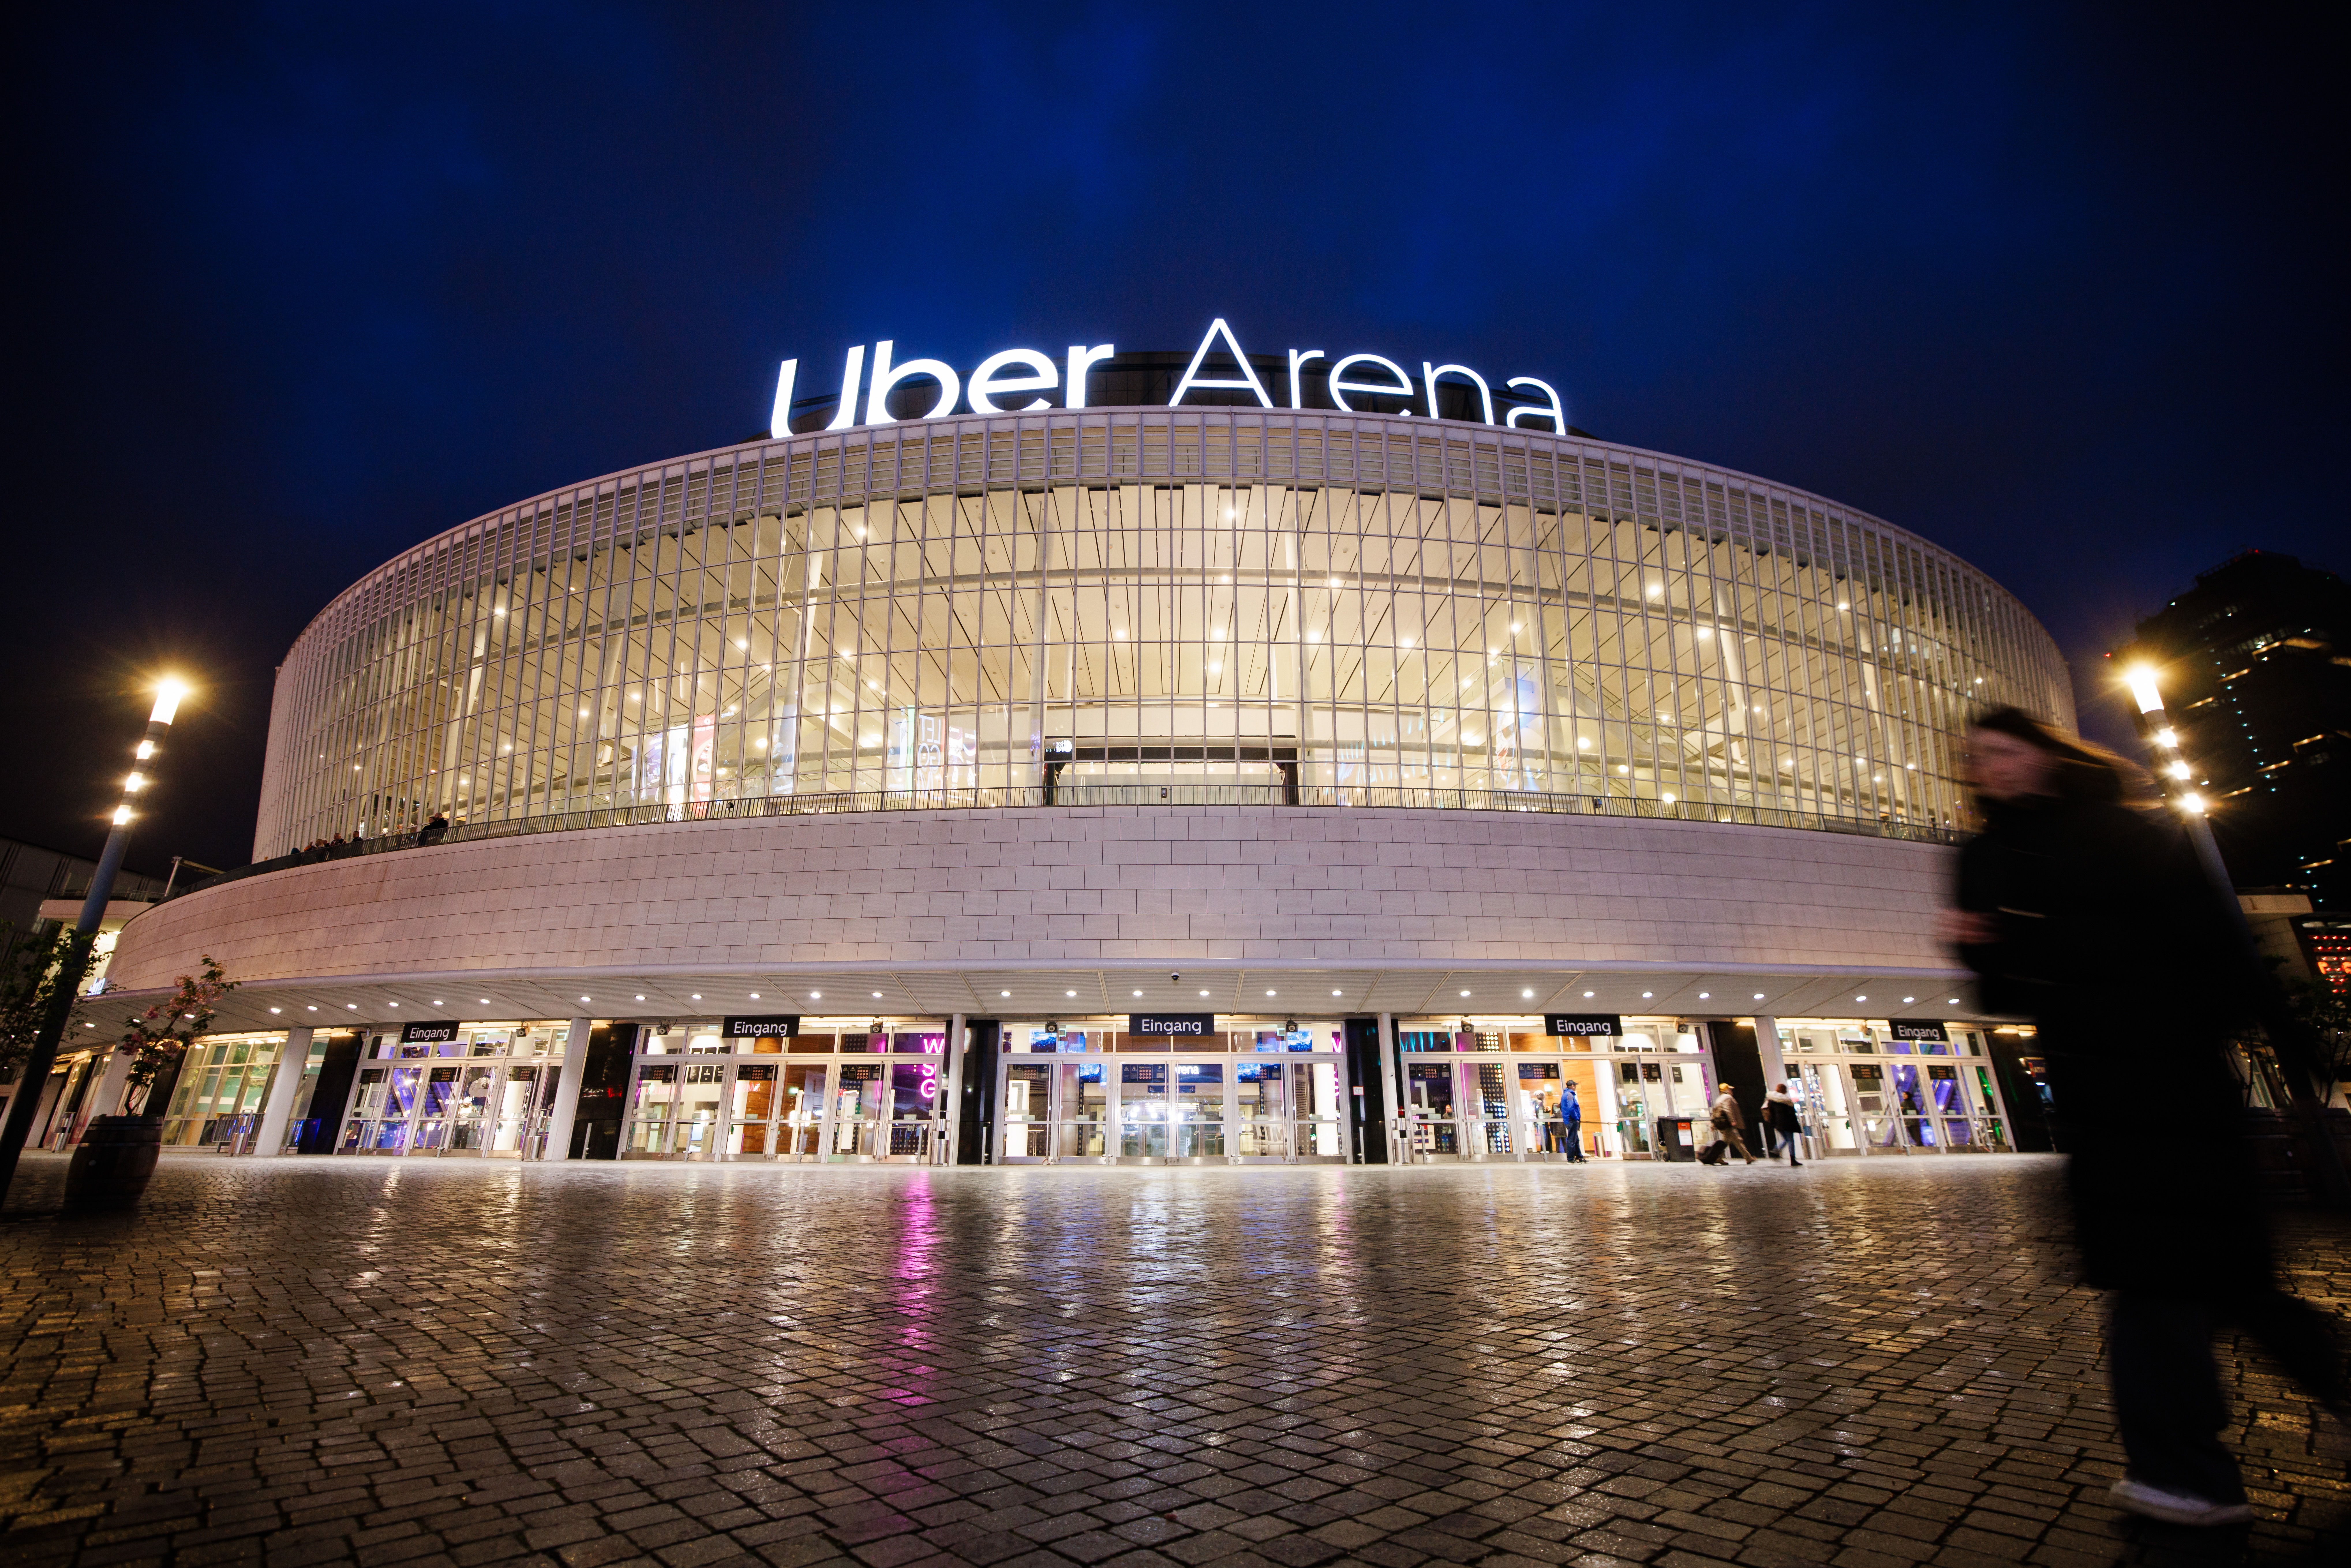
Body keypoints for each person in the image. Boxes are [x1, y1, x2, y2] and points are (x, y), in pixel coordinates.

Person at [1939, 705, 2346, 1529]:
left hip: (2172, 1079)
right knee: (2213, 1282)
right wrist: (1978, 950)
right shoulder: (1983, 856)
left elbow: (2215, 947)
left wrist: (2291, 1042)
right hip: (2100, 1094)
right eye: (1980, 756)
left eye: (2008, 748)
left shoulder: (2121, 831)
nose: (1995, 766)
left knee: (2170, 1280)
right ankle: (2186, 1469)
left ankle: (2186, 1475)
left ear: (2045, 752)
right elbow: (2002, 993)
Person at [1702, 1083, 1754, 1165]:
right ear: (1726, 1090)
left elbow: (1715, 1112)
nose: (1731, 1091)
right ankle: (1716, 1157)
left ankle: (1749, 1158)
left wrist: (1713, 1125)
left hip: (1723, 1124)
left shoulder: (1720, 1099)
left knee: (1736, 1141)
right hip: (1727, 1124)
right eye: (1730, 1089)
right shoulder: (1727, 1098)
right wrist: (1733, 1121)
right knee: (1727, 1142)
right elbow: (1728, 1110)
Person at [1765, 1081, 1803, 1166]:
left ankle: (1776, 1150)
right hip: (1787, 1124)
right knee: (1790, 1141)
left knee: (1786, 1139)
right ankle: (1793, 1160)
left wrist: (1773, 1123)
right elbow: (1791, 1114)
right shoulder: (1787, 1101)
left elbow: (1771, 1113)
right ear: (1784, 1090)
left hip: (1777, 1124)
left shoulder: (1771, 1100)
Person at [1560, 1082, 1585, 1162]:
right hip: (1572, 1121)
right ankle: (1571, 1159)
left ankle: (1580, 1157)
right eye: (1575, 1086)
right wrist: (1576, 1118)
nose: (1576, 1087)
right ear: (1572, 1086)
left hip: (1569, 1120)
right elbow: (1571, 1108)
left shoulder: (1566, 1095)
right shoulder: (1570, 1095)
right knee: (1572, 1140)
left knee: (1576, 1140)